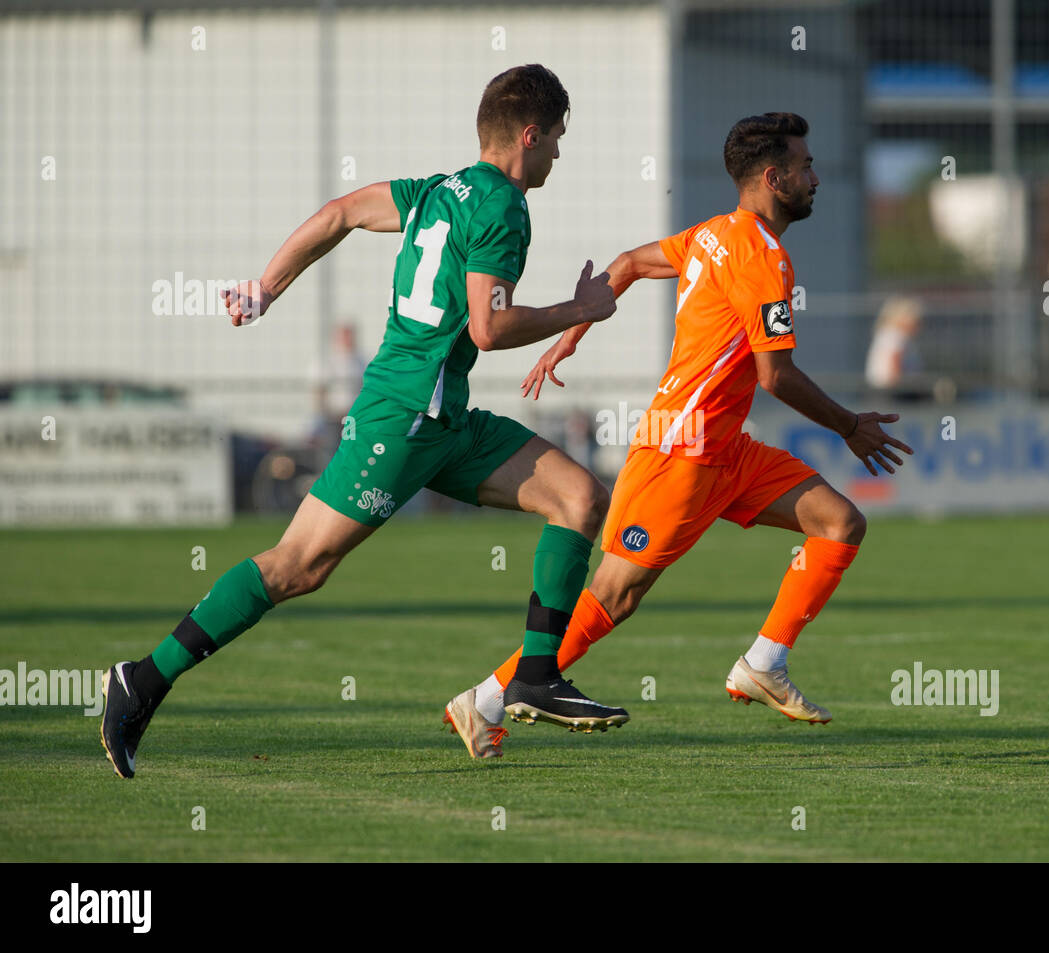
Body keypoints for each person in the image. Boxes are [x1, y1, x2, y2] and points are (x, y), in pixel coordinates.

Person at [100, 64, 631, 778]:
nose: (559, 155)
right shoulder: (503, 205)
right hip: (404, 415)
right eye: (557, 139)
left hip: (446, 419)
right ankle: (143, 679)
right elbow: (487, 327)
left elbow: (338, 213)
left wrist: (265, 288)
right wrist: (580, 308)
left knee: (579, 497)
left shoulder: (436, 191)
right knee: (297, 566)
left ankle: (534, 676)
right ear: (528, 136)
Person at [445, 112, 913, 758]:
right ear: (773, 178)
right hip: (680, 452)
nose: (816, 178)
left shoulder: (717, 235)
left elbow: (629, 263)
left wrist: (571, 335)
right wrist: (850, 426)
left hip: (727, 449)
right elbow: (775, 375)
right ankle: (487, 697)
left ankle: (763, 663)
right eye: (806, 168)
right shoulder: (761, 258)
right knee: (615, 593)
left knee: (840, 521)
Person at [865, 296, 923, 390]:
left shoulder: (888, 333)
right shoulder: (896, 335)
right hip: (891, 392)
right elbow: (895, 366)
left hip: (884, 390)